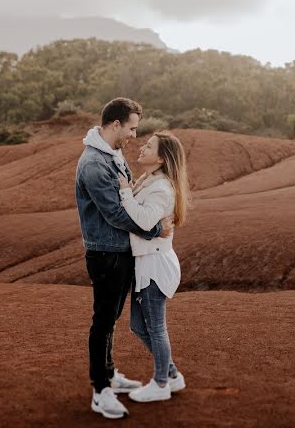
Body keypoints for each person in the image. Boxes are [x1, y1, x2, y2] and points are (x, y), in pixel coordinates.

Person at [75, 97, 174, 420]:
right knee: (102, 321)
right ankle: (100, 390)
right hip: (105, 253)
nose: (134, 135)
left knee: (112, 318)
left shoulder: (111, 153)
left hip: (120, 252)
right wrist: (155, 228)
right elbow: (116, 213)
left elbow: (126, 193)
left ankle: (110, 372)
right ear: (115, 124)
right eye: (131, 128)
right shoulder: (93, 164)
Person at [116, 131, 189, 403]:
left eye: (149, 146)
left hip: (155, 265)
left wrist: (124, 190)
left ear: (160, 157)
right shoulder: (150, 180)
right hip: (146, 263)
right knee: (137, 325)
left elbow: (145, 220)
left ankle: (161, 383)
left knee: (156, 327)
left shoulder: (161, 187)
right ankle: (171, 374)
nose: (142, 147)